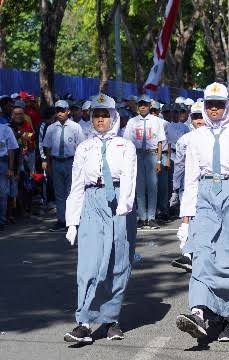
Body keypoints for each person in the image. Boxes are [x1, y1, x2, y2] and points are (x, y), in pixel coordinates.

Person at [175, 83, 229, 342]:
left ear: (227, 106)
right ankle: (197, 312)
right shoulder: (196, 136)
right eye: (209, 104)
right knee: (202, 252)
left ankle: (228, 317)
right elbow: (190, 177)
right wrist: (186, 219)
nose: (213, 109)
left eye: (219, 104)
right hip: (205, 191)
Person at [63, 94, 137, 344]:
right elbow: (76, 185)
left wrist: (124, 206)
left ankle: (111, 320)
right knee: (88, 263)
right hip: (92, 201)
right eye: (96, 115)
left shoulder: (125, 145)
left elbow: (129, 177)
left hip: (118, 201)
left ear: (114, 117)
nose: (100, 120)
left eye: (105, 115)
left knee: (117, 263)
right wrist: (72, 220)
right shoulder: (85, 147)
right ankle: (83, 323)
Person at [170, 101, 206, 272]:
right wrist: (175, 187)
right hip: (189, 185)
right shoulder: (185, 139)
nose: (199, 121)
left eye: (201, 116)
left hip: (208, 185)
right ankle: (187, 254)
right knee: (187, 217)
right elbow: (179, 165)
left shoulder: (215, 137)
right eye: (196, 117)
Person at [41, 100, 86, 231]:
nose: (60, 113)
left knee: (71, 192)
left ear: (68, 111)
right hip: (56, 161)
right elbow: (48, 148)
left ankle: (72, 220)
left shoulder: (75, 127)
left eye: (62, 110)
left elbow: (80, 147)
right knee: (59, 193)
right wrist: (48, 163)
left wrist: (80, 165)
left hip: (71, 161)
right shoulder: (51, 128)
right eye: (57, 110)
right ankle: (61, 220)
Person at [123, 95, 166, 229]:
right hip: (137, 155)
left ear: (149, 106)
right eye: (140, 104)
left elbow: (159, 142)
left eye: (145, 105)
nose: (142, 107)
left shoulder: (157, 121)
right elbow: (128, 142)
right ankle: (142, 217)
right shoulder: (132, 122)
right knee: (139, 187)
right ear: (137, 106)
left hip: (152, 155)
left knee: (153, 186)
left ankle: (151, 217)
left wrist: (159, 160)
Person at [0, 119, 18, 231]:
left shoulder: (6, 129)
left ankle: (1, 221)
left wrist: (10, 168)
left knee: (3, 193)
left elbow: (11, 149)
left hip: (3, 162)